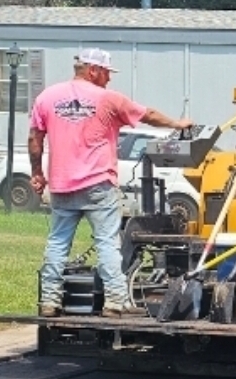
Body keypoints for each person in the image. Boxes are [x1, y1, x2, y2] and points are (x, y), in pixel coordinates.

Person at [29, 48, 194, 318]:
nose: (109, 78)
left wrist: (37, 173)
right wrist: (178, 123)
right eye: (106, 72)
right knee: (107, 242)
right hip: (98, 184)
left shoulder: (47, 97)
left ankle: (49, 302)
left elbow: (34, 139)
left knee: (58, 243)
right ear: (93, 70)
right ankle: (115, 302)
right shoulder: (107, 99)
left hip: (61, 185)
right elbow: (147, 114)